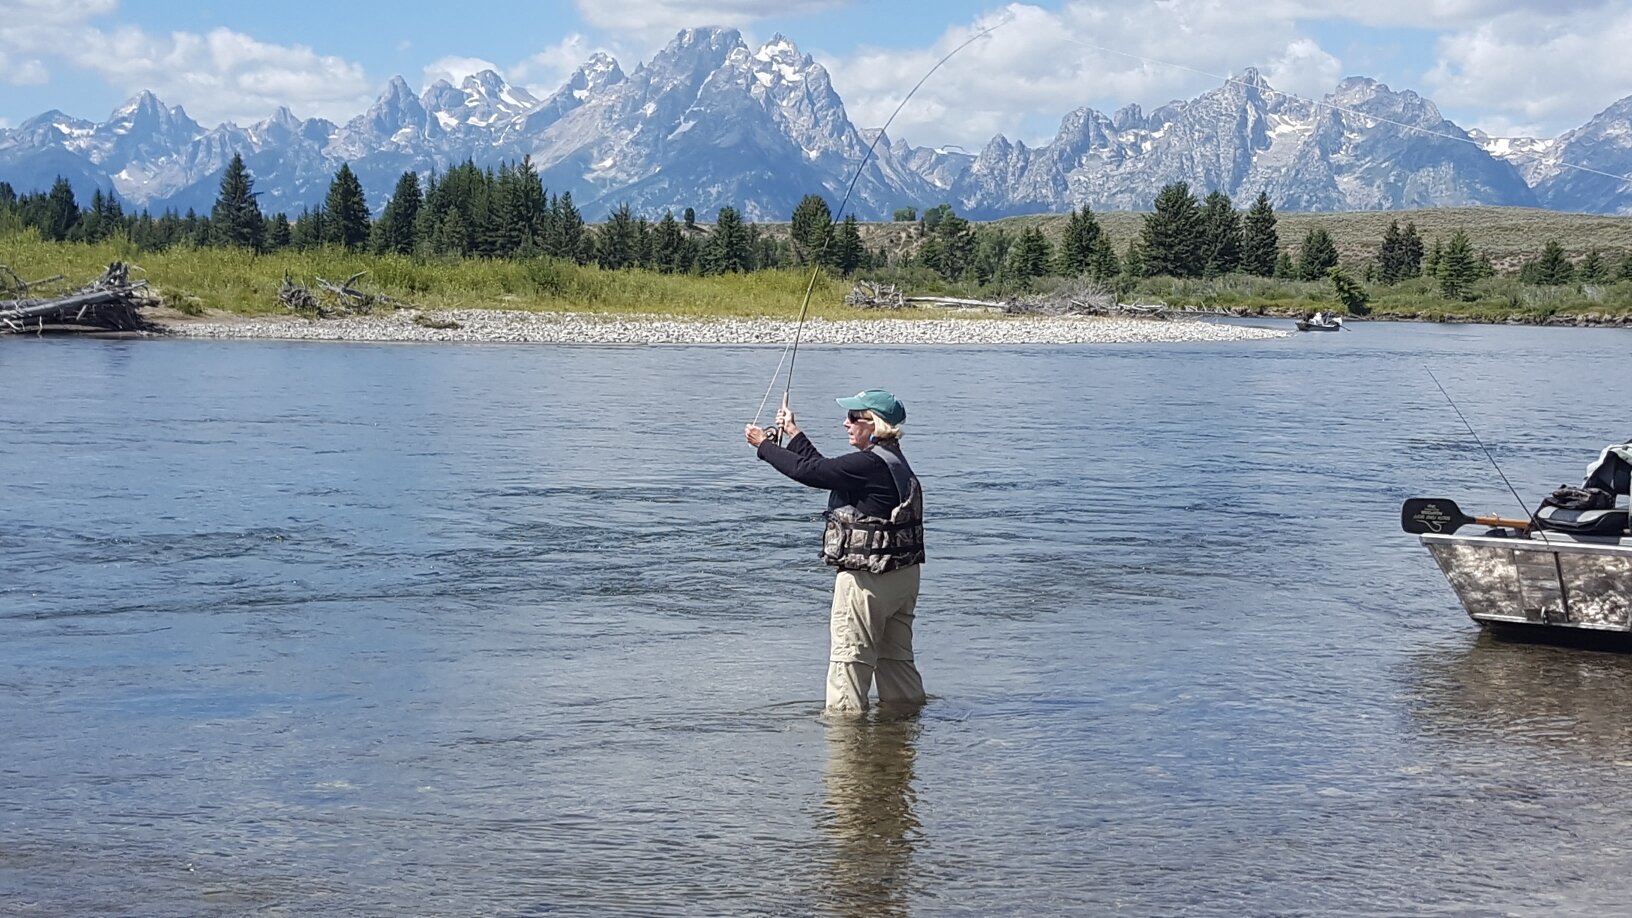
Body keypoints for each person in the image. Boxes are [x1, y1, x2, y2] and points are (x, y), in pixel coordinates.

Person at [744, 388, 926, 715]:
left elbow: (810, 473)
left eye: (854, 417)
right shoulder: (893, 461)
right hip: (903, 580)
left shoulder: (868, 465)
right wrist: (793, 433)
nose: (845, 423)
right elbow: (828, 470)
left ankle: (847, 750)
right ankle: (904, 738)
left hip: (867, 584)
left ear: (875, 424)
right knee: (896, 663)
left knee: (849, 666)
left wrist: (764, 446)